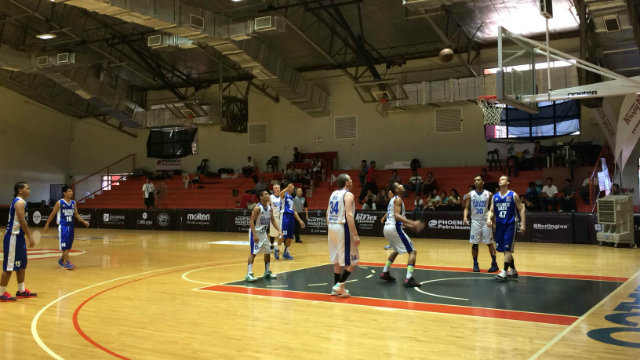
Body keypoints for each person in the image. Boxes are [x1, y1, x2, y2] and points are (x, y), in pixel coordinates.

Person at [380, 183, 425, 287]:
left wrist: (410, 225)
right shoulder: (398, 199)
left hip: (387, 229)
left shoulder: (394, 199)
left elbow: (400, 220)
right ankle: (409, 278)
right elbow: (396, 216)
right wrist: (413, 222)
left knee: (396, 250)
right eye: (399, 185)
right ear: (396, 189)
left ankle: (385, 272)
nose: (402, 185)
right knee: (413, 251)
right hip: (393, 228)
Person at [1, 182, 37, 301]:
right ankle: (1, 293)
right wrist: (30, 236)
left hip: (19, 238)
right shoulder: (19, 202)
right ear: (20, 190)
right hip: (13, 237)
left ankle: (21, 290)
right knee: (9, 267)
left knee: (21, 265)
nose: (29, 190)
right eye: (27, 188)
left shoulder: (22, 202)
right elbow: (22, 221)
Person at [486, 175, 526, 282]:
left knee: (508, 249)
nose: (500, 180)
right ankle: (512, 269)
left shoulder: (513, 195)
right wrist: (489, 219)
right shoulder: (495, 197)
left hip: (510, 225)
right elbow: (491, 210)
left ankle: (504, 271)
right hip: (499, 226)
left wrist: (523, 223)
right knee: (504, 250)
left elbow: (521, 209)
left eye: (503, 179)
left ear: (508, 182)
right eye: (499, 179)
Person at [327, 173, 360, 297]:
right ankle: (339, 285)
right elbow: (349, 215)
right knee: (353, 259)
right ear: (346, 182)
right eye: (350, 180)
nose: (352, 181)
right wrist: (355, 235)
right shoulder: (348, 195)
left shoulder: (333, 194)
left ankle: (335, 289)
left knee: (336, 259)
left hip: (332, 227)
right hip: (342, 227)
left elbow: (327, 213)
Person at [43, 185, 90, 270]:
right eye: (69, 191)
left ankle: (61, 260)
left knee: (68, 247)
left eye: (71, 191)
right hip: (63, 227)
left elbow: (76, 214)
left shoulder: (73, 203)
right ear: (64, 193)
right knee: (64, 247)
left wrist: (83, 221)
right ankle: (67, 263)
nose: (71, 192)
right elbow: (52, 214)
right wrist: (47, 224)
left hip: (71, 227)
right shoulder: (60, 202)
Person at [463, 176, 499, 273]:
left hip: (486, 221)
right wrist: (465, 217)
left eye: (478, 180)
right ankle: (475, 264)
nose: (476, 182)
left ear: (483, 182)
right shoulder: (470, 195)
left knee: (489, 243)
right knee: (475, 244)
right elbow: (466, 208)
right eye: (474, 180)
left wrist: (494, 222)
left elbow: (492, 210)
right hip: (475, 221)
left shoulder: (489, 194)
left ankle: (494, 264)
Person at [245, 190, 282, 282]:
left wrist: (279, 230)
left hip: (263, 233)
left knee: (268, 251)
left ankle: (267, 272)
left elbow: (272, 220)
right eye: (265, 194)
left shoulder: (269, 208)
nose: (268, 195)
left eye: (268, 194)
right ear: (261, 197)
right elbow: (251, 221)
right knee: (253, 253)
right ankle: (249, 274)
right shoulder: (257, 208)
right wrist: (254, 235)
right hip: (256, 233)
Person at [275, 180, 305, 260]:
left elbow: (294, 211)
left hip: (291, 216)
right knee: (283, 235)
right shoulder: (284, 195)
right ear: (287, 187)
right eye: (291, 187)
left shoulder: (292, 198)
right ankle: (277, 248)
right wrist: (287, 187)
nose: (293, 188)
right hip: (284, 215)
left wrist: (300, 221)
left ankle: (286, 252)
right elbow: (279, 194)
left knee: (290, 237)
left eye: (292, 187)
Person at [268, 184, 282, 250]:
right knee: (272, 232)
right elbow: (267, 205)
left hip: (281, 217)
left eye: (279, 188)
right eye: (276, 188)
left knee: (281, 231)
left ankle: (280, 245)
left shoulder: (282, 197)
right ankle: (271, 244)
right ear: (273, 189)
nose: (278, 189)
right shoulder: (270, 197)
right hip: (273, 217)